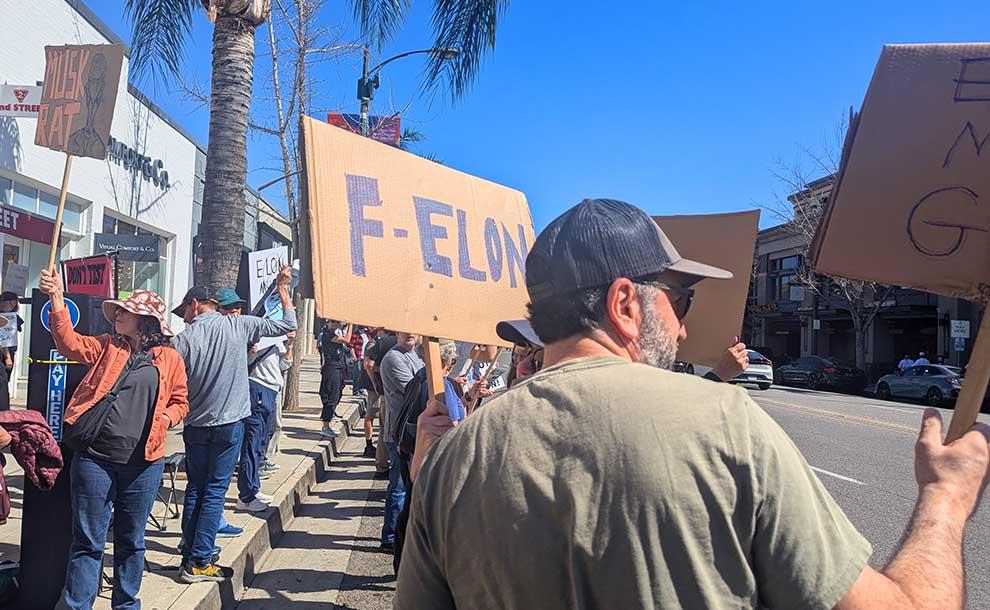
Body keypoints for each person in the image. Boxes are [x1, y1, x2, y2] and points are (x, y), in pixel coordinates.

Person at [396, 198, 990, 610]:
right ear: (625, 304)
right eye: (680, 301)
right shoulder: (728, 424)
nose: (681, 331)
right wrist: (946, 500)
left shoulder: (454, 459)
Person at [40, 270, 189, 610]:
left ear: (146, 321)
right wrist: (57, 299)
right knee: (88, 542)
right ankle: (78, 606)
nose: (117, 315)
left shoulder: (170, 360)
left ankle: (125, 604)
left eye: (125, 311)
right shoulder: (108, 347)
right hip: (95, 460)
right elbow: (67, 342)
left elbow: (181, 401)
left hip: (144, 465)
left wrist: (167, 418)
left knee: (131, 541)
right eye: (118, 310)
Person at [171, 266, 296, 584]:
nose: (184, 318)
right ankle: (198, 560)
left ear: (195, 305)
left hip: (196, 424)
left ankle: (191, 550)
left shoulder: (182, 340)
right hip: (229, 424)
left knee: (196, 489)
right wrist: (283, 289)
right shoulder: (239, 325)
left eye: (184, 311)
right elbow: (289, 324)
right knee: (213, 490)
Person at [214, 287, 276, 513]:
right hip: (245, 396)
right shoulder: (223, 334)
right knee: (248, 446)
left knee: (258, 443)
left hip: (263, 392)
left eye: (238, 307)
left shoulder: (247, 330)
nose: (236, 311)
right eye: (229, 308)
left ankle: (252, 488)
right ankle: (246, 495)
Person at [379, 332, 423, 552]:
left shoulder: (416, 356)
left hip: (413, 432)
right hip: (399, 433)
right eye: (406, 331)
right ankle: (389, 537)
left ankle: (399, 535)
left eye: (414, 330)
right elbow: (414, 390)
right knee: (398, 487)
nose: (410, 335)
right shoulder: (393, 358)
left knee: (408, 486)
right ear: (397, 333)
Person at [260, 332, 294, 473]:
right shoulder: (261, 341)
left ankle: (266, 457)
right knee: (262, 427)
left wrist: (290, 345)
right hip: (262, 386)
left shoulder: (279, 342)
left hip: (276, 388)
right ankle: (259, 460)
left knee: (275, 425)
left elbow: (284, 364)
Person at [365, 329, 397, 475]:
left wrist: (376, 383)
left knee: (385, 429)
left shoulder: (381, 342)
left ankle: (382, 465)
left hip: (385, 392)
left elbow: (369, 365)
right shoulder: (414, 342)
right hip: (399, 394)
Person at [317, 320, 353, 438]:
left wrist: (346, 324)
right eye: (333, 322)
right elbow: (347, 340)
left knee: (338, 393)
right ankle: (325, 425)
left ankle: (329, 420)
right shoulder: (327, 335)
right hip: (331, 368)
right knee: (331, 396)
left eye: (337, 322)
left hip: (339, 366)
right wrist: (352, 325)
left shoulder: (336, 332)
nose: (336, 324)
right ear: (327, 323)